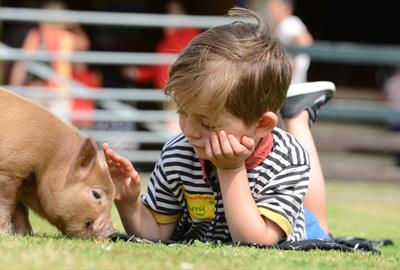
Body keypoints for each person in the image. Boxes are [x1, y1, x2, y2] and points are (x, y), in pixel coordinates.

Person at [102, 7, 334, 244]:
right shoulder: (178, 153)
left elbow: (257, 242)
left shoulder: (287, 159)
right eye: (183, 112)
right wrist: (130, 205)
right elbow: (158, 234)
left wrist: (230, 169)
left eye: (206, 122)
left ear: (262, 124)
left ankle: (297, 117)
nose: (189, 130)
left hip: (295, 225)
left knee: (320, 228)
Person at [8, 0, 99, 126]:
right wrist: (75, 26)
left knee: (36, 128)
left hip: (37, 89)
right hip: (59, 90)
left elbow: (22, 64)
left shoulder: (36, 35)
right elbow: (85, 43)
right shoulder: (66, 37)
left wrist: (15, 89)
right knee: (60, 131)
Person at [122, 0, 201, 134]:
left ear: (185, 14)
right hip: (166, 92)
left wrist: (171, 33)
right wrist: (138, 74)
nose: (171, 16)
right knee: (172, 129)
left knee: (176, 129)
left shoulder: (192, 34)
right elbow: (159, 66)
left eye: (176, 11)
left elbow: (180, 55)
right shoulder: (164, 41)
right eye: (169, 12)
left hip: (181, 91)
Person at [265, 0, 314, 83]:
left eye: (273, 8)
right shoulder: (281, 25)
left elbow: (305, 40)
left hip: (291, 81)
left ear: (286, 9)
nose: (269, 12)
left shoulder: (288, 23)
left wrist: (292, 64)